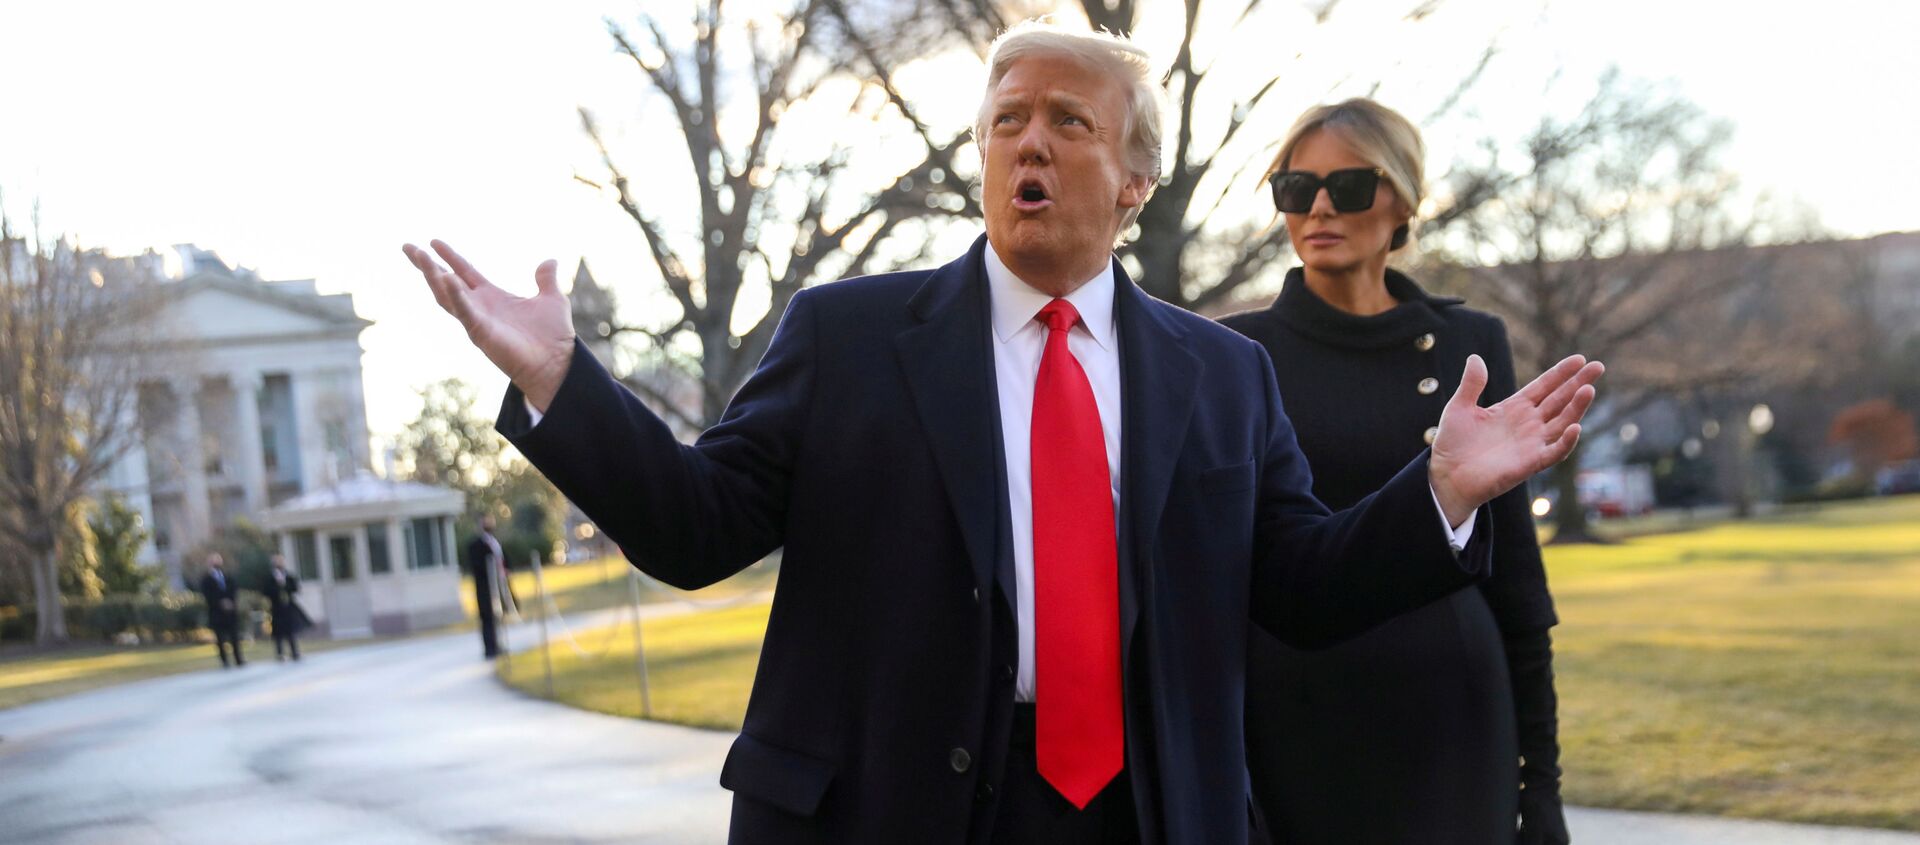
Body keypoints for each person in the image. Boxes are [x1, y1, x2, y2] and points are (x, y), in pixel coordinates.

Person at [403, 21, 1601, 843]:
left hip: (1146, 810)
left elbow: (1297, 583)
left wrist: (1437, 492)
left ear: (1134, 181)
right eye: (1007, 119)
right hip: (896, 807)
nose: (1030, 142)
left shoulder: (1222, 373)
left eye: (1070, 121)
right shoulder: (849, 337)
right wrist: (567, 381)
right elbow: (694, 525)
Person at [1221, 98, 1570, 844]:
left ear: (1403, 199)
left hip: (1454, 714)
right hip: (1297, 719)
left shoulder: (1469, 344)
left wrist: (1540, 785)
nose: (1317, 206)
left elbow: (1515, 580)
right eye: (1294, 187)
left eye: (1346, 186)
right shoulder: (1234, 354)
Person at [465, 514, 505, 659]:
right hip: (484, 589)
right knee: (487, 618)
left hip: (498, 587)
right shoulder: (475, 545)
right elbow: (478, 566)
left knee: (497, 616)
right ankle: (490, 648)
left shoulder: (495, 542)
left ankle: (498, 644)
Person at [198, 553, 244, 668]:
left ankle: (239, 659)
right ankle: (225, 661)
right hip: (217, 613)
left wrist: (230, 602)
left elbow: (234, 590)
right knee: (220, 638)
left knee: (234, 636)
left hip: (230, 613)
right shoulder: (206, 580)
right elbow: (207, 595)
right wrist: (221, 602)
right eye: (213, 561)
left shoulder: (228, 577)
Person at [262, 554, 307, 661]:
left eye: (281, 561)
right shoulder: (270, 578)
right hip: (277, 607)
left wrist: (284, 585)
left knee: (291, 630)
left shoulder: (288, 576)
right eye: (277, 561)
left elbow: (295, 588)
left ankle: (294, 652)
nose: (279, 563)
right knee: (278, 631)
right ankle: (280, 653)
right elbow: (266, 591)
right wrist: (277, 587)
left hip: (288, 607)